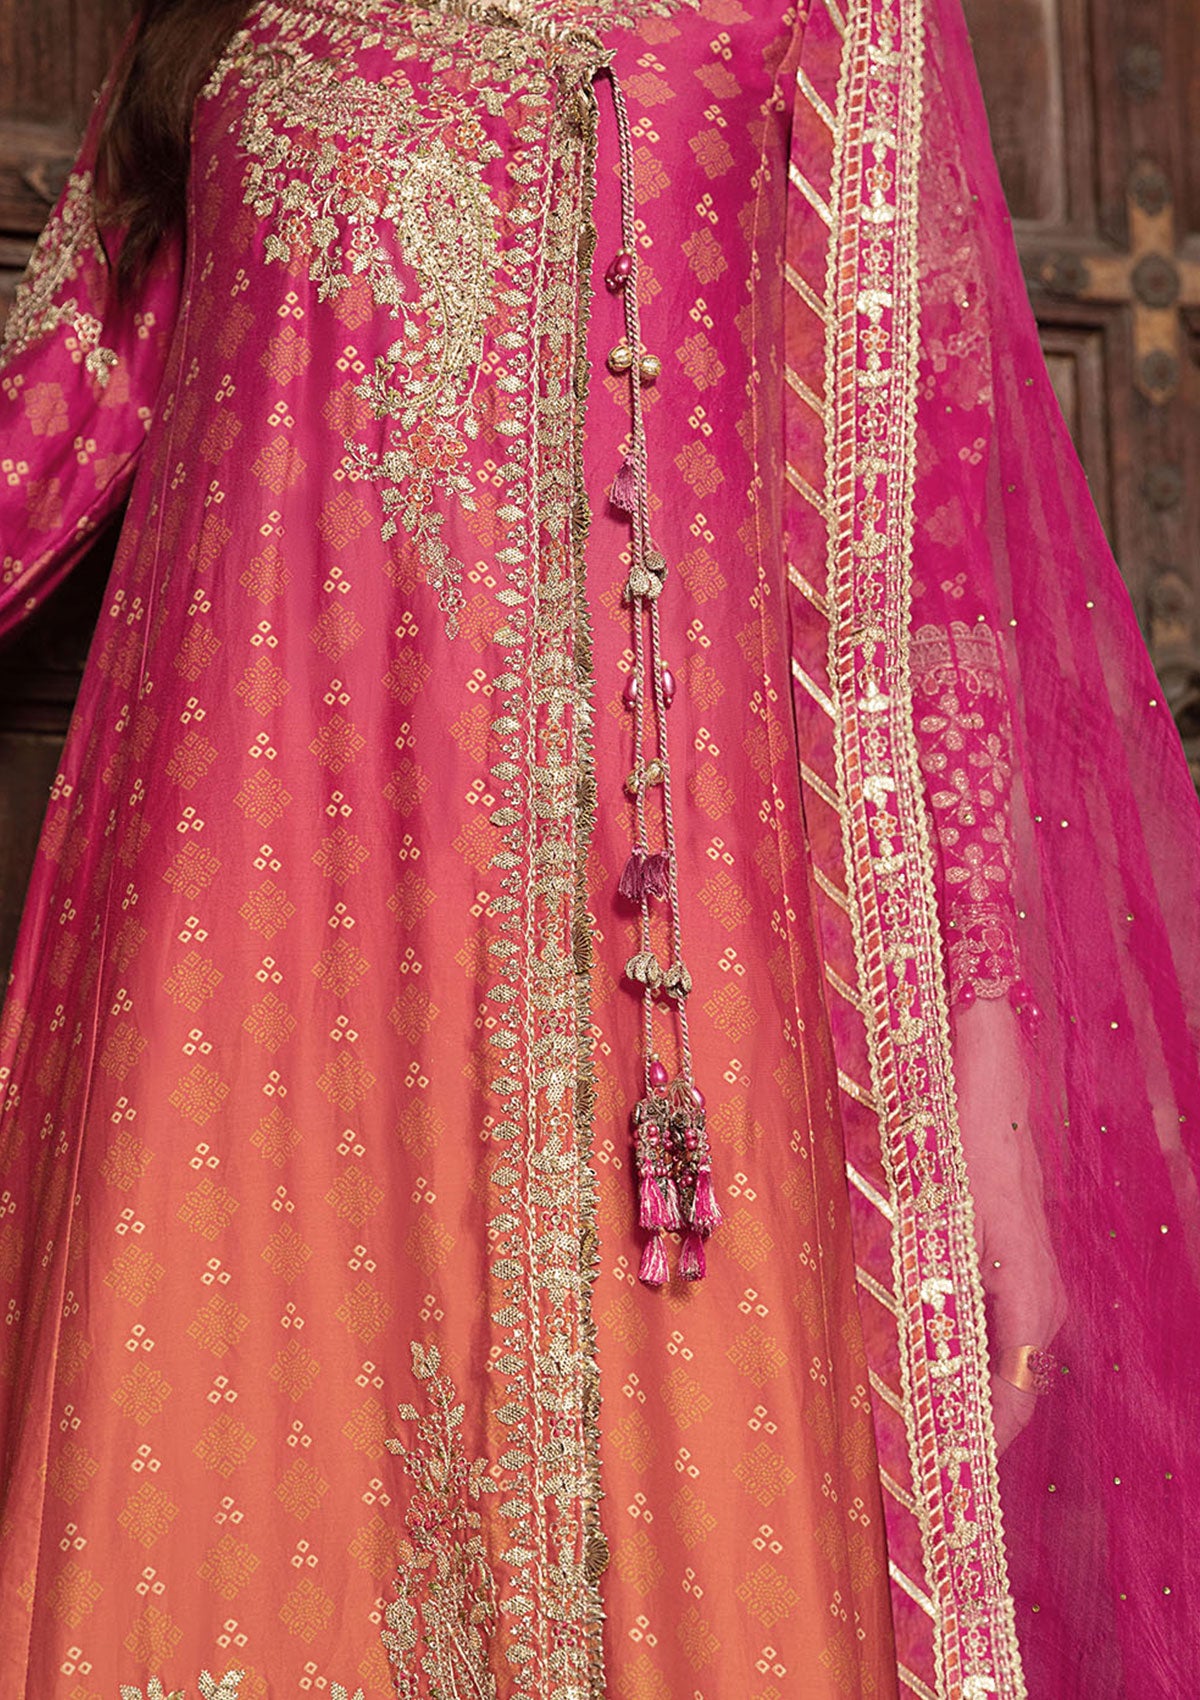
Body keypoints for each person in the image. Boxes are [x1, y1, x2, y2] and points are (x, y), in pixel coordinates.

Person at [0, 0, 1196, 1695]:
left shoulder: (817, 21)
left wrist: (985, 1086)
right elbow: (53, 417)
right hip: (238, 983)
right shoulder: (215, 24)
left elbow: (921, 566)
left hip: (668, 1000)